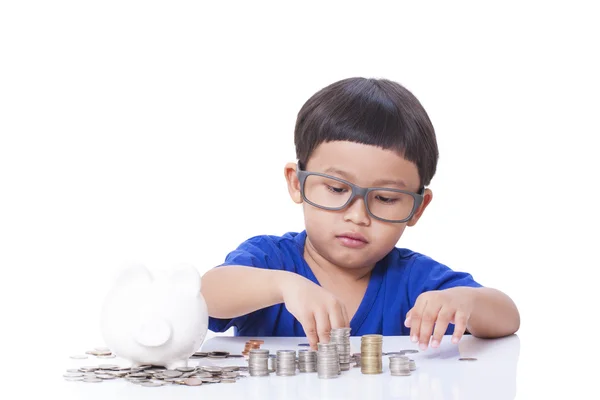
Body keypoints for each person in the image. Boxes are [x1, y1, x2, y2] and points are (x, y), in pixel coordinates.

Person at [201, 77, 520, 351]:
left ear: (417, 208)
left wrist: (466, 303)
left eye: (385, 198)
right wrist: (283, 287)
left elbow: (507, 316)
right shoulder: (270, 260)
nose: (357, 216)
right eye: (337, 190)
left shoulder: (414, 280)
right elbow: (205, 294)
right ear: (297, 183)